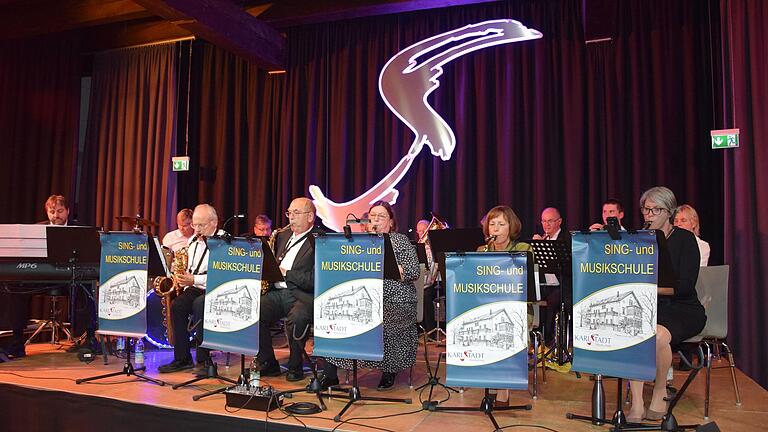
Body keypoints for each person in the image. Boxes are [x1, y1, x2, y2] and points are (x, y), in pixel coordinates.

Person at [320, 201, 420, 391]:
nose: (375, 219)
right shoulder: (359, 242)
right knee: (335, 318)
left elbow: (414, 271)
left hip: (395, 299)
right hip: (363, 296)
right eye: (372, 216)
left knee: (387, 320)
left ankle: (389, 370)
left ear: (391, 222)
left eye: (381, 216)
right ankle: (331, 374)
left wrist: (399, 270)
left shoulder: (399, 241)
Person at [628, 187, 706, 422]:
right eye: (645, 209)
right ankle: (638, 402)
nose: (648, 214)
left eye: (655, 209)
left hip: (683, 308)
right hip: (651, 306)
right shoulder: (641, 238)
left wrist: (650, 288)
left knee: (658, 335)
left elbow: (684, 286)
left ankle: (660, 392)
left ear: (669, 211)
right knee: (633, 329)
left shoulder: (685, 239)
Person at [257, 198, 321, 381]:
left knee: (297, 318)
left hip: (302, 295)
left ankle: (296, 366)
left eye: (296, 213)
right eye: (289, 213)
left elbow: (314, 280)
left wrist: (287, 273)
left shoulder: (320, 240)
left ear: (310, 216)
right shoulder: (282, 236)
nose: (290, 218)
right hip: (277, 292)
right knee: (253, 310)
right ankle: (268, 363)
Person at [158, 204, 225, 373]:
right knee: (177, 306)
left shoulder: (224, 241)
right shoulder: (193, 241)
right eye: (195, 225)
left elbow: (221, 275)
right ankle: (182, 358)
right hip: (196, 286)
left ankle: (204, 360)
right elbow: (192, 269)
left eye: (201, 225)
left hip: (217, 288)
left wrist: (193, 279)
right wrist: (182, 277)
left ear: (214, 223)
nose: (196, 229)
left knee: (199, 305)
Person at [477, 205, 532, 406]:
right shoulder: (481, 251)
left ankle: (503, 389)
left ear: (511, 227)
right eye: (492, 224)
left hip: (516, 308)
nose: (496, 228)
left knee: (505, 329)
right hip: (488, 306)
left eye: (501, 224)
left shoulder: (523, 249)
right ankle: (491, 380)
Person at [4, 195, 71, 358]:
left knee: (87, 288)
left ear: (68, 211)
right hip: (42, 277)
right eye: (52, 212)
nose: (56, 216)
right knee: (16, 288)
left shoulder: (77, 230)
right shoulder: (36, 229)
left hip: (68, 278)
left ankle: (88, 339)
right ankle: (17, 343)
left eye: (60, 211)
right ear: (47, 213)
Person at [531, 207, 571, 345]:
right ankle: (532, 338)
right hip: (544, 283)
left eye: (550, 221)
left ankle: (548, 339)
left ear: (559, 222)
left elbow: (569, 266)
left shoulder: (567, 238)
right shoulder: (541, 238)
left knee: (554, 297)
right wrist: (534, 249)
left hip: (563, 283)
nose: (546, 225)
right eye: (543, 221)